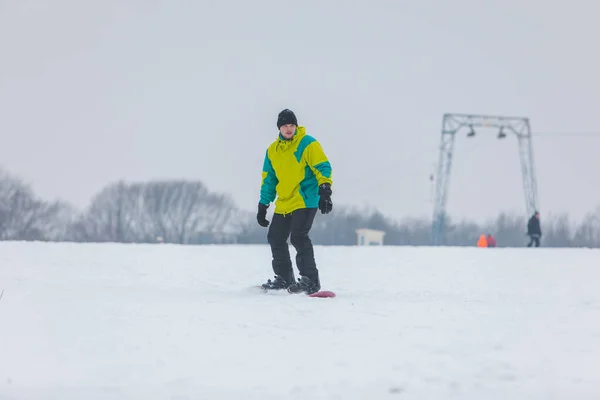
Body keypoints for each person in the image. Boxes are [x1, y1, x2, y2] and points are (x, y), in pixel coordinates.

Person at [256, 109, 333, 294]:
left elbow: (322, 166)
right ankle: (284, 278)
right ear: (279, 128)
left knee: (298, 236)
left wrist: (325, 190)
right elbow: (269, 179)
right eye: (285, 126)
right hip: (284, 202)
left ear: (296, 126)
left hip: (305, 199)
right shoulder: (273, 151)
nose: (289, 129)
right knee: (275, 237)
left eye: (291, 125)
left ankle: (310, 281)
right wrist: (263, 204)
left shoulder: (308, 144)